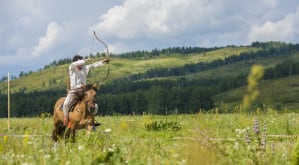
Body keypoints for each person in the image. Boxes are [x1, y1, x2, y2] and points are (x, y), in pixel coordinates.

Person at [63, 55, 109, 127]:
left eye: (82, 62)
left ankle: (92, 120)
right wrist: (85, 60)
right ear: (76, 62)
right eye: (79, 62)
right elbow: (74, 64)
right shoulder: (72, 68)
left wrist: (103, 62)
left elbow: (94, 65)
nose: (81, 64)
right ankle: (66, 118)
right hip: (74, 91)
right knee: (66, 104)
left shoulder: (85, 68)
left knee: (95, 106)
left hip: (84, 91)